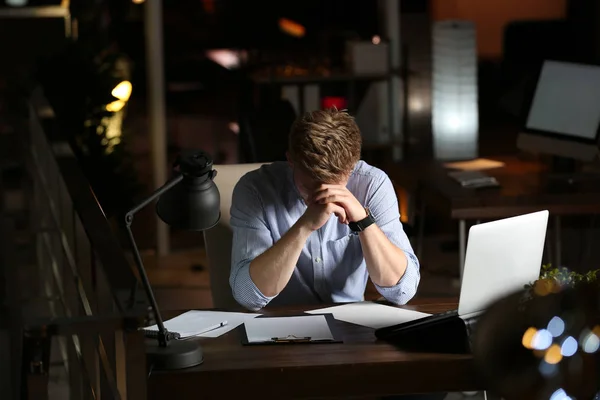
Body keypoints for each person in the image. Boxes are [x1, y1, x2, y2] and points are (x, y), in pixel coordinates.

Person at [229, 108, 420, 311]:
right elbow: (248, 296)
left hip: (348, 322)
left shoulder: (372, 184)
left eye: (335, 186)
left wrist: (364, 222)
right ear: (291, 161)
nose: (324, 197)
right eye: (312, 187)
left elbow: (402, 291)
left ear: (352, 166)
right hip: (278, 322)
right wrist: (304, 226)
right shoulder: (254, 189)